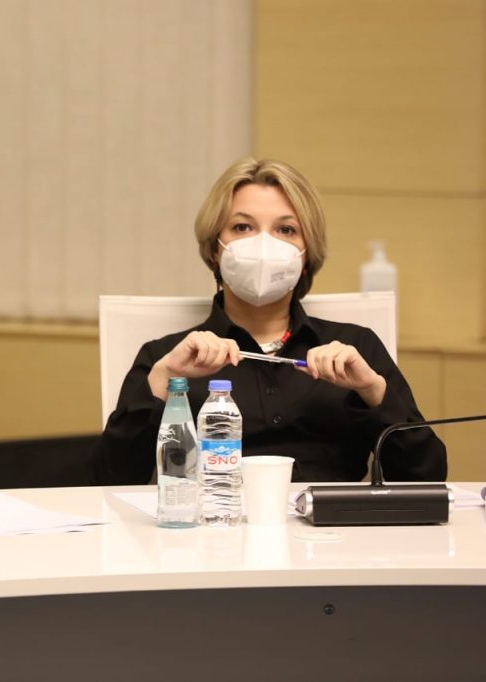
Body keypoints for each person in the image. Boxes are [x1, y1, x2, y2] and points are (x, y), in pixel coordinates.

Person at [94, 157, 446, 484]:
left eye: (286, 230)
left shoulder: (357, 348)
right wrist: (162, 379)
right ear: (215, 250)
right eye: (242, 226)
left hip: (330, 527)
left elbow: (426, 477)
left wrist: (373, 392)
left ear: (306, 255)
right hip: (212, 524)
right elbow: (108, 482)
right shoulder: (167, 356)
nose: (263, 245)